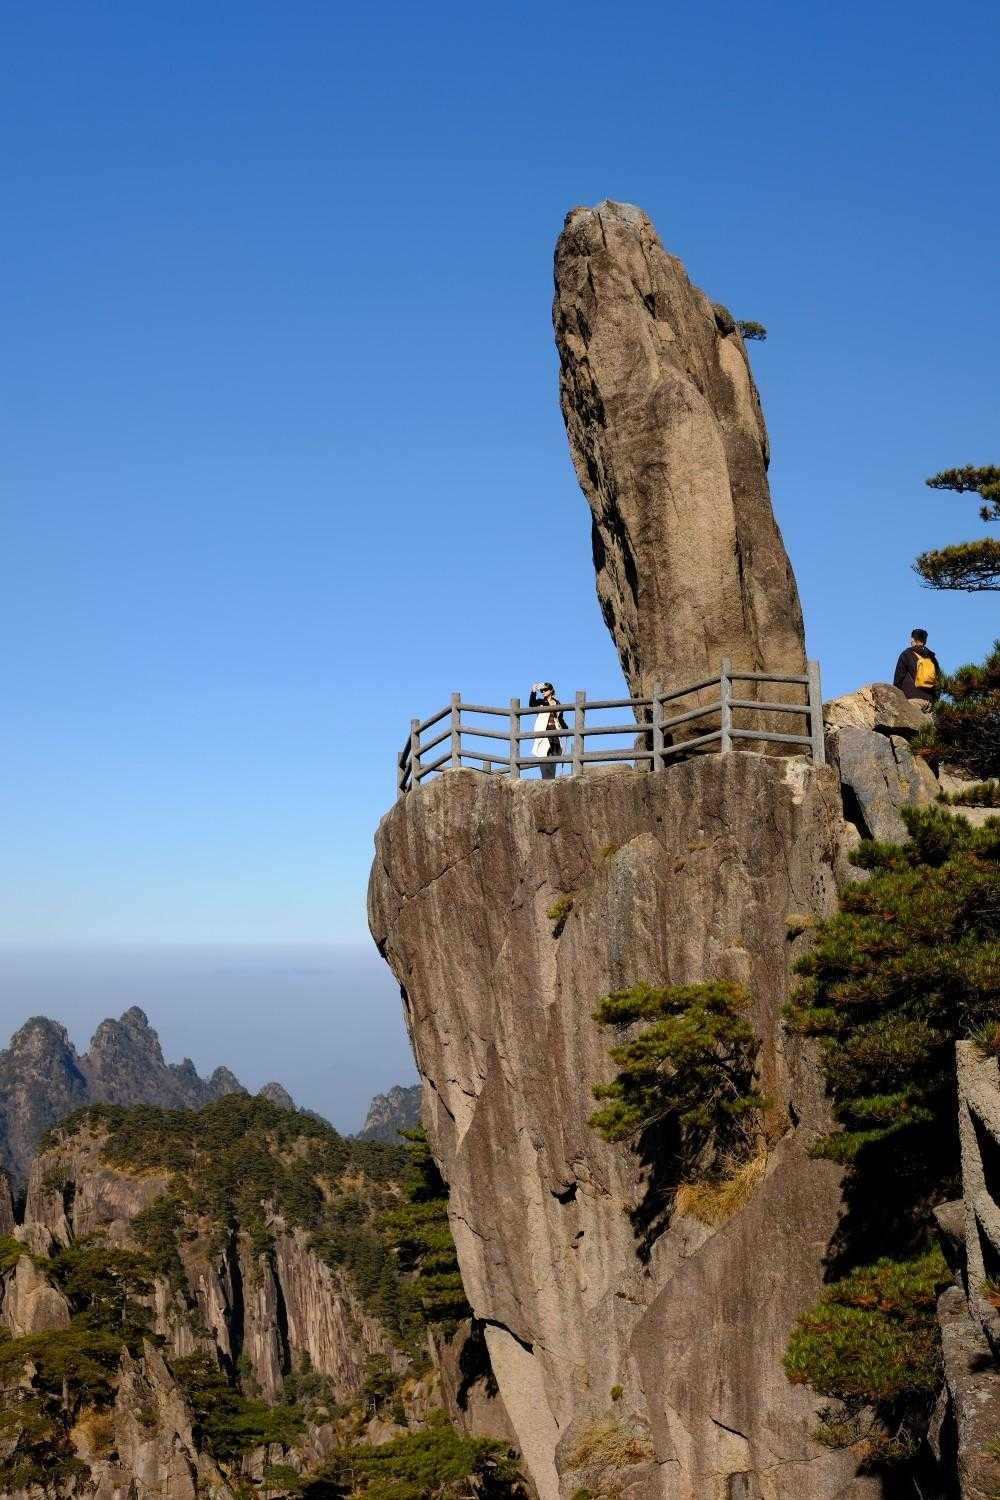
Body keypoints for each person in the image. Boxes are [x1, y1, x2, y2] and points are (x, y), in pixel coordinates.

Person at [893, 629, 940, 710]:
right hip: (929, 701)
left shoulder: (906, 654)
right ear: (925, 641)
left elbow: (898, 678)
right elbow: (938, 679)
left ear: (912, 639)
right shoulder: (932, 658)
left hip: (912, 699)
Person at [529, 682, 567, 779]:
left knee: (553, 760)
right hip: (544, 734)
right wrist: (533, 691)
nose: (543, 692)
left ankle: (551, 782)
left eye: (545, 690)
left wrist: (566, 730)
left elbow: (560, 719)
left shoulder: (558, 703)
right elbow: (531, 704)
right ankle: (545, 781)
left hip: (555, 734)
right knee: (543, 758)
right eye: (542, 691)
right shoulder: (541, 702)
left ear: (551, 690)